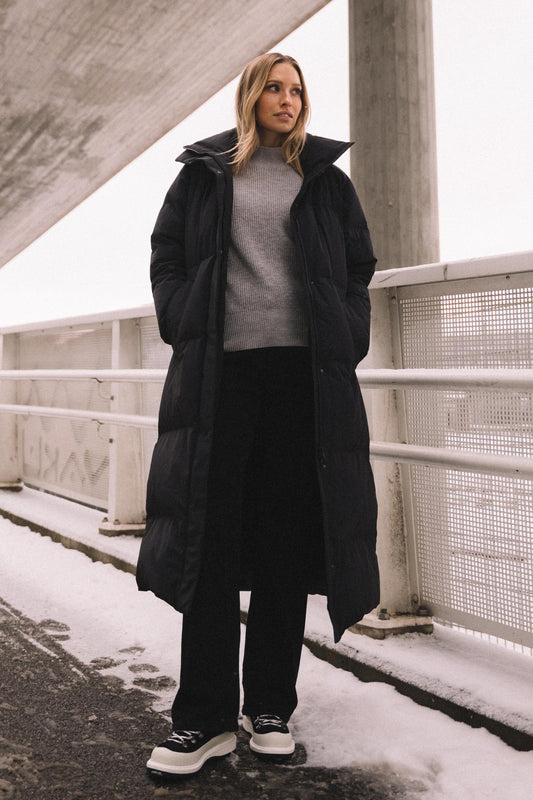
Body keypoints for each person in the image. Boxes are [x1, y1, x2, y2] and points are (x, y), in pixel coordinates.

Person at [136, 52, 380, 776]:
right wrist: (182, 313)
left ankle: (269, 706)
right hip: (223, 378)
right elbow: (166, 255)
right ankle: (203, 718)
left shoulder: (325, 180)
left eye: (296, 89)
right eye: (274, 87)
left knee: (285, 542)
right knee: (208, 543)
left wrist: (347, 328)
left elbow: (359, 267)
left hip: (302, 381)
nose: (287, 99)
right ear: (250, 96)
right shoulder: (204, 174)